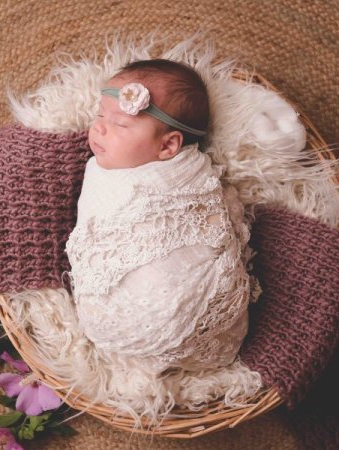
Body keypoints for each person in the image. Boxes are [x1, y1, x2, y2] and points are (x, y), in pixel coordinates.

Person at [65, 58, 258, 375]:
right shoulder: (101, 171)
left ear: (169, 146)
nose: (99, 127)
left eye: (121, 124)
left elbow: (209, 222)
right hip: (131, 311)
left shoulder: (188, 176)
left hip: (193, 298)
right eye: (100, 115)